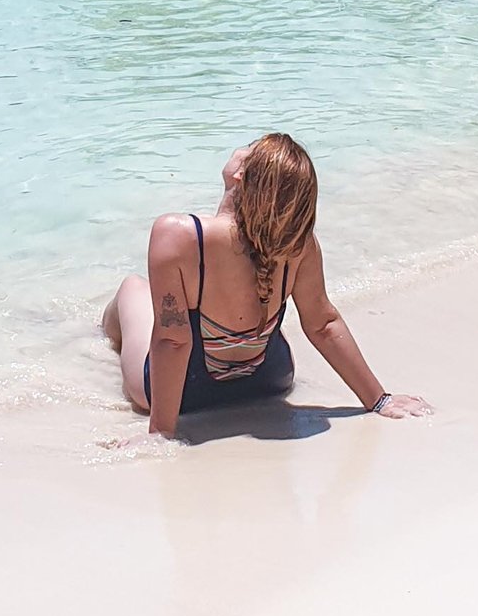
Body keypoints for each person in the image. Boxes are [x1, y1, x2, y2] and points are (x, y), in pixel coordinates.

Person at [101, 133, 432, 436]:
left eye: (248, 147)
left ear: (241, 173)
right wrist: (379, 400)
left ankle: (99, 336)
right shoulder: (298, 247)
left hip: (186, 391)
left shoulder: (179, 235)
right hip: (268, 381)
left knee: (132, 288)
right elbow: (324, 325)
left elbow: (173, 342)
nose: (241, 148)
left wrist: (161, 433)